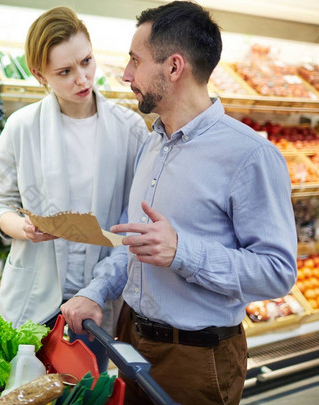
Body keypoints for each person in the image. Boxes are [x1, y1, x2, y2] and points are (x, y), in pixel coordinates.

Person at [61, 1, 298, 403]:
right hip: (131, 339)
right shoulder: (153, 143)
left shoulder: (250, 156)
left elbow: (277, 272)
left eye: (135, 61)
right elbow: (132, 242)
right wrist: (95, 291)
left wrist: (182, 252)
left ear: (173, 67)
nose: (125, 75)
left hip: (197, 359)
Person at [0, 6, 148, 372]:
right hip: (33, 292)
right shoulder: (21, 127)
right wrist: (24, 228)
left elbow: (132, 219)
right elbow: (1, 206)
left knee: (85, 389)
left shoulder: (130, 130)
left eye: (87, 61)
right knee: (22, 386)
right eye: (64, 71)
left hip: (96, 298)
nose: (82, 78)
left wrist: (99, 288)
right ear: (39, 75)